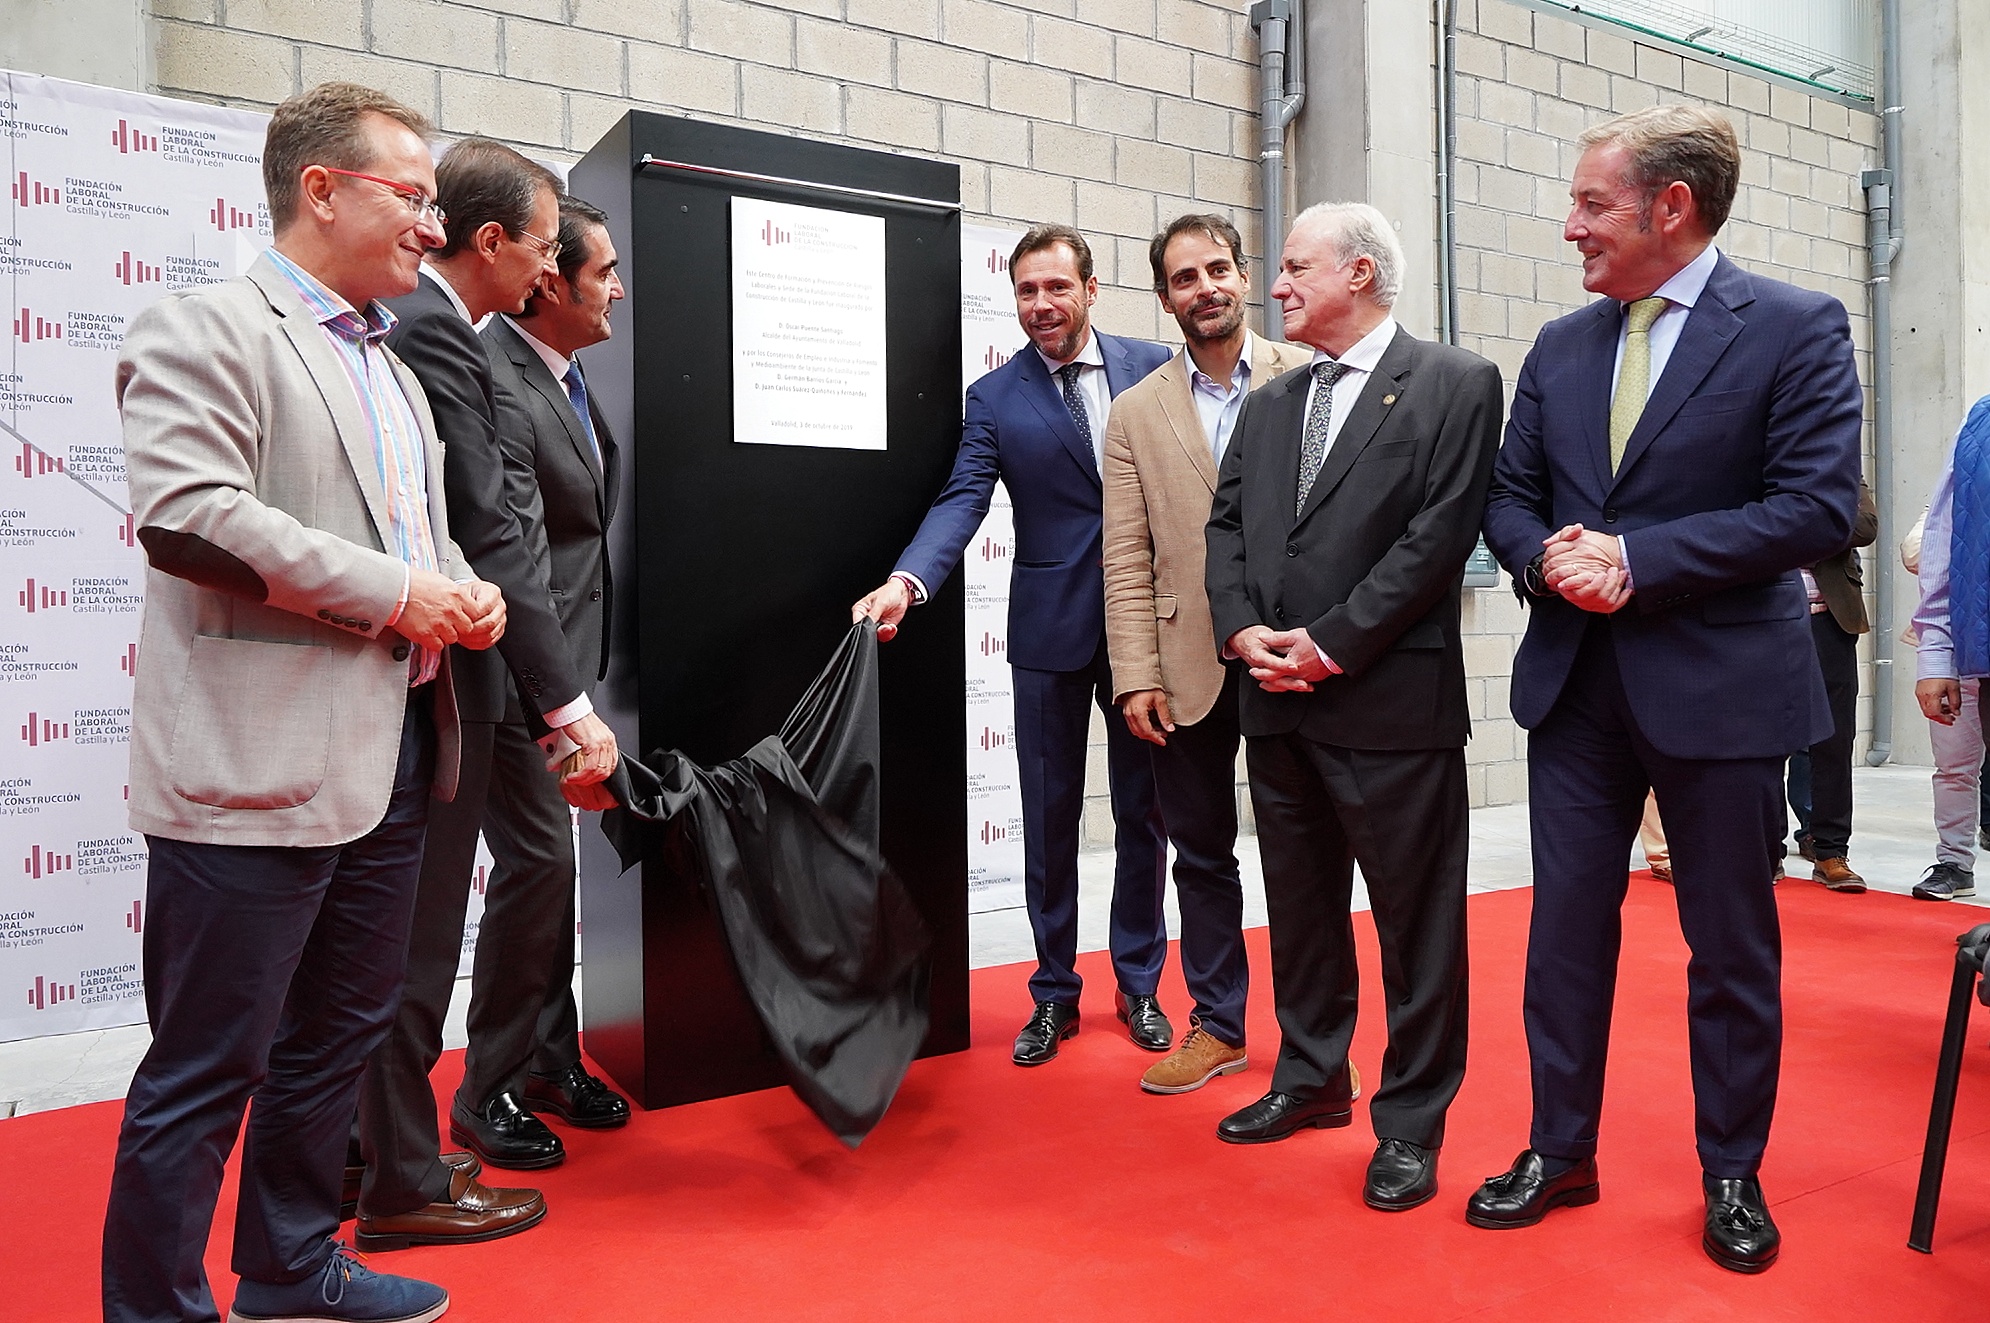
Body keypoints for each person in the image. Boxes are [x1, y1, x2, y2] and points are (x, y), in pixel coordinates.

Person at [104, 82, 505, 1323]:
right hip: (252, 765)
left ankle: (286, 1269)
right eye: (412, 195)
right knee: (207, 1065)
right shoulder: (208, 327)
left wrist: (458, 590)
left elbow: (409, 539)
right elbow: (190, 518)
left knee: (338, 1034)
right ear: (320, 189)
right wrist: (400, 595)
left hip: (392, 756)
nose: (433, 226)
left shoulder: (391, 365)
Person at [1474, 105, 1863, 1274]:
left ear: (1670, 207)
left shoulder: (1794, 327)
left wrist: (1636, 560)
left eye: (1591, 204)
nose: (1570, 226)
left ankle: (1731, 1172)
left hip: (1723, 690)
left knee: (1730, 948)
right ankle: (1559, 1149)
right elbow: (1509, 497)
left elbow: (1813, 508)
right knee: (1562, 935)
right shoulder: (1561, 345)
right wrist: (1546, 561)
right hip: (1575, 691)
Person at [1204, 202, 1502, 1212]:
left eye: (1295, 267)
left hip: (1389, 705)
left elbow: (1438, 537)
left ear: (1360, 274)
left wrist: (1330, 644)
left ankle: (1411, 1124)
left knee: (1417, 928)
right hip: (1274, 700)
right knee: (1299, 910)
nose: (1275, 285)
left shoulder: (1455, 382)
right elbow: (1227, 528)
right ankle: (1312, 1076)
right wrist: (1241, 629)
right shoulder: (1270, 404)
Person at [353, 140, 613, 1251]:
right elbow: (494, 533)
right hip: (456, 682)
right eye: (549, 247)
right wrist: (569, 707)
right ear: (496, 240)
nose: (556, 269)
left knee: (413, 933)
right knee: (412, 944)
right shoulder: (432, 334)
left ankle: (378, 1149)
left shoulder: (426, 332)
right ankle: (399, 1174)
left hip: (466, 671)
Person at [852, 225, 1173, 1066]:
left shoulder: (1154, 366)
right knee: (1049, 817)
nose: (1040, 304)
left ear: (1091, 289)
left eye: (1056, 287)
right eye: (1026, 290)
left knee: (1144, 814)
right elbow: (963, 498)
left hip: (1145, 630)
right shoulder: (995, 395)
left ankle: (1140, 982)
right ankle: (1055, 991)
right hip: (1047, 633)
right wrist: (907, 580)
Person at [1101, 213, 1311, 1095]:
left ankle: (1311, 1042)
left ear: (1243, 275)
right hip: (1184, 663)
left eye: (1217, 269)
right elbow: (1126, 556)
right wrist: (1135, 675)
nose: (1205, 288)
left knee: (1304, 856)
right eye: (1184, 278)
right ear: (1164, 298)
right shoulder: (1134, 411)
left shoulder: (1310, 375)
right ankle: (1219, 1023)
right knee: (1200, 854)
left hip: (1294, 658)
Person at [479, 195, 627, 1125]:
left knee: (551, 874)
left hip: (562, 669)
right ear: (549, 283)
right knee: (538, 869)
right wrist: (557, 703)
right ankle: (487, 1086)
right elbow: (517, 553)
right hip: (518, 681)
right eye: (604, 272)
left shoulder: (563, 375)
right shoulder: (497, 375)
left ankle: (546, 1059)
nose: (619, 289)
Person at [1911, 398, 1990, 901]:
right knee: (1955, 764)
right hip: (1976, 644)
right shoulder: (1978, 423)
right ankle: (1954, 861)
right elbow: (1942, 540)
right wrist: (1936, 651)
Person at [1790, 480, 1878, 892]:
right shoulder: (1754, 464)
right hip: (1764, 620)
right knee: (1761, 740)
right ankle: (1765, 849)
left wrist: (1793, 530)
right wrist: (1821, 525)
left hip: (1831, 620)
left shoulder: (1838, 466)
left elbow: (1865, 526)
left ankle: (1830, 851)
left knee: (1835, 738)